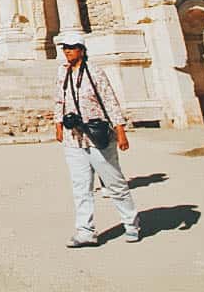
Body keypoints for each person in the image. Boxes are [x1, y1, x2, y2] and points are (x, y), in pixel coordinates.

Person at [54, 31, 140, 247]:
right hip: (73, 138)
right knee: (81, 186)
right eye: (64, 48)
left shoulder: (94, 72)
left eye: (71, 48)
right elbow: (59, 100)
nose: (67, 51)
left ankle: (131, 223)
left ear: (82, 50)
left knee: (115, 183)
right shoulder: (62, 73)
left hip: (98, 135)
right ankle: (85, 231)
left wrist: (120, 130)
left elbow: (109, 100)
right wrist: (58, 125)